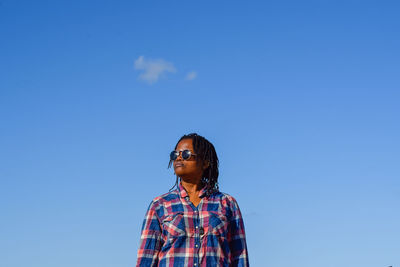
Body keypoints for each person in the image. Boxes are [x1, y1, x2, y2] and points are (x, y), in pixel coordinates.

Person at [136, 133, 249, 266]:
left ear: (205, 162)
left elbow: (239, 257)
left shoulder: (227, 203)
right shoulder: (160, 205)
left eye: (186, 154)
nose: (178, 158)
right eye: (175, 154)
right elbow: (146, 259)